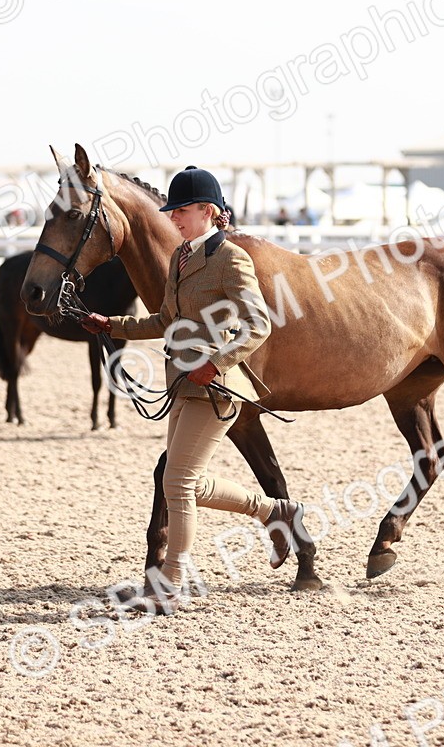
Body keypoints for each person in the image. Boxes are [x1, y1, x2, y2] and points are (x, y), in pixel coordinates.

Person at [80, 166, 308, 615]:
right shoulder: (180, 258)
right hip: (183, 383)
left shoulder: (231, 259)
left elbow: (258, 324)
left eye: (181, 210)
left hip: (218, 387)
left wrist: (217, 362)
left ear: (207, 211)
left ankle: (170, 585)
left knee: (178, 483)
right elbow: (166, 320)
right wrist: (112, 325)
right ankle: (275, 512)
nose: (174, 218)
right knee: (186, 482)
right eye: (172, 211)